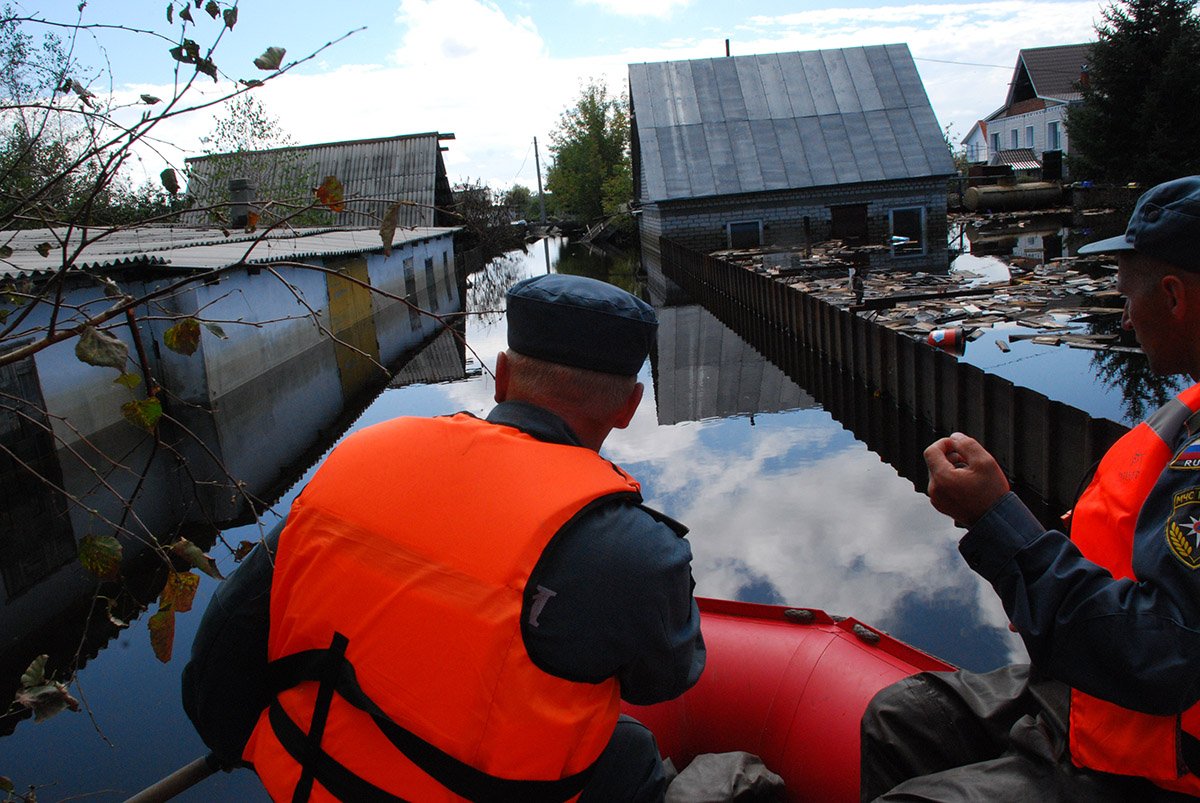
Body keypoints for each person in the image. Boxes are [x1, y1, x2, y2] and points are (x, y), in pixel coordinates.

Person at [182, 273, 706, 802]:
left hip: (300, 781)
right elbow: (663, 680)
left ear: (501, 376)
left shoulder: (362, 455)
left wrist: (242, 745)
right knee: (631, 748)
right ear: (629, 407)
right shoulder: (637, 551)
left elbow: (227, 636)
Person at [860, 176, 1200, 801]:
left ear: (1174, 295)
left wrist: (996, 518)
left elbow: (1163, 656)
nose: (1125, 318)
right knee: (900, 719)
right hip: (1099, 688)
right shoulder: (1189, 417)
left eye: (1127, 296)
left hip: (1158, 754)